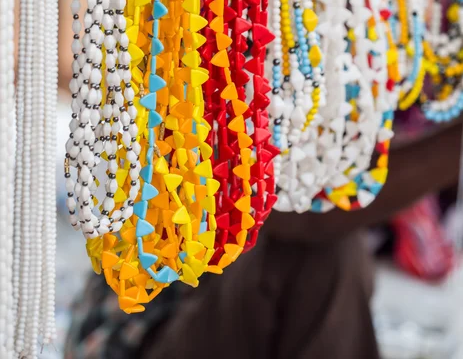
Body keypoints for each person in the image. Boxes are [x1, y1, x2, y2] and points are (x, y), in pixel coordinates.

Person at [65, 119, 462, 359]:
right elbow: (304, 219)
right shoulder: (221, 22)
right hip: (137, 341)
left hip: (224, 321)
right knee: (321, 253)